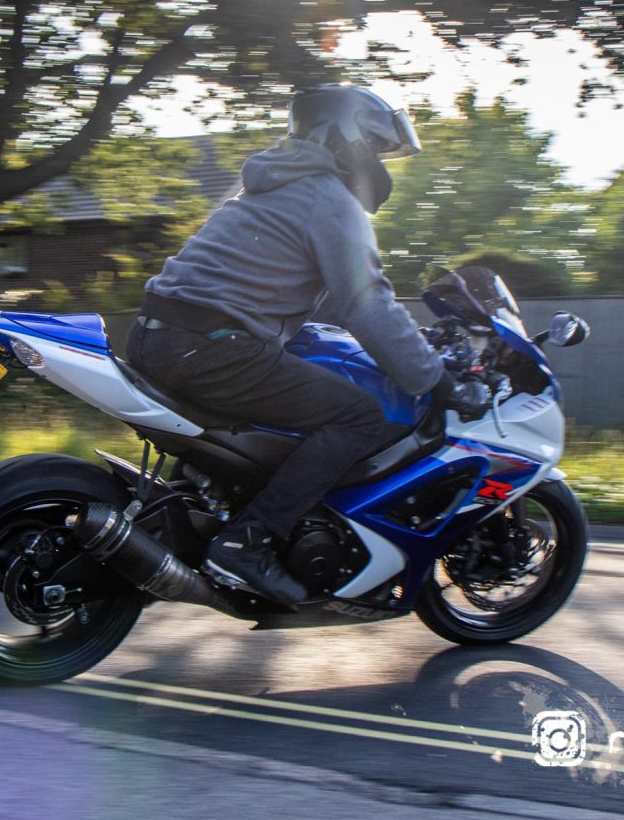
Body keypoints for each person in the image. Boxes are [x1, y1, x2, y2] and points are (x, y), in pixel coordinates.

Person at [125, 83, 489, 605]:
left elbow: (330, 304)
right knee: (358, 417)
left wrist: (415, 343)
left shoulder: (273, 187)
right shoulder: (329, 200)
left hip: (163, 335)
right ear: (352, 140)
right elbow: (368, 305)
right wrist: (438, 379)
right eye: (378, 149)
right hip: (207, 348)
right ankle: (248, 541)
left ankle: (212, 500)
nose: (381, 164)